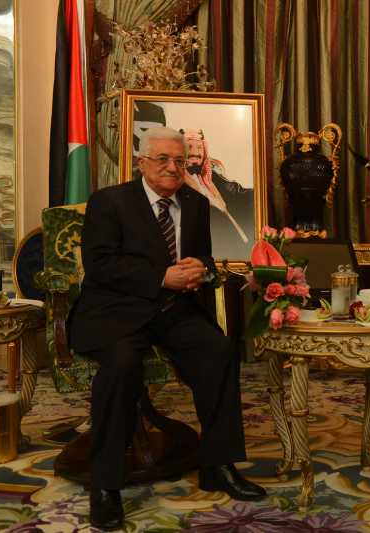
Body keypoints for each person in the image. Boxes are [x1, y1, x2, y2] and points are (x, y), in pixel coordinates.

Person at [68, 127, 266, 531]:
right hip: (116, 312)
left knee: (219, 350)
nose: (173, 167)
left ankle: (217, 464)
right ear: (141, 162)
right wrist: (161, 276)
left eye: (180, 160)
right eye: (163, 159)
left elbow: (204, 259)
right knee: (122, 365)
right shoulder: (109, 202)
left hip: (174, 311)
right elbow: (100, 265)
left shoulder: (194, 202)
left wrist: (202, 270)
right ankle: (105, 485)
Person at [181, 128, 255, 256]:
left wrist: (259, 193)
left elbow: (235, 191)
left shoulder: (211, 177)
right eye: (189, 147)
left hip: (230, 242)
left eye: (199, 148)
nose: (195, 153)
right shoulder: (175, 182)